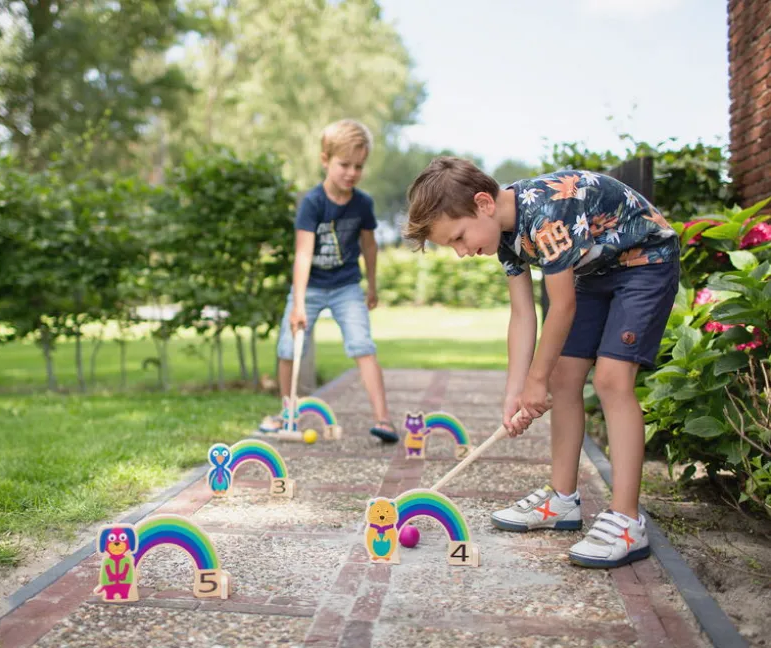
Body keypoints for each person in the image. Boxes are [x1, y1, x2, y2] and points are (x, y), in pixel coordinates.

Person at [402, 156, 680, 568]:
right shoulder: (506, 235)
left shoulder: (546, 213)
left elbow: (562, 306)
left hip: (646, 262)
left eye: (459, 238)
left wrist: (536, 379)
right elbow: (523, 315)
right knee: (564, 379)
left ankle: (626, 520)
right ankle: (562, 500)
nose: (461, 252)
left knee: (611, 380)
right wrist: (517, 390)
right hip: (598, 271)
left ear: (483, 204)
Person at [259, 119, 398, 443]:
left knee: (363, 345)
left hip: (347, 285)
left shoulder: (362, 203)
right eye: (344, 164)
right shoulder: (313, 203)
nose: (351, 172)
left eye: (358, 166)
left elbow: (369, 245)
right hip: (311, 286)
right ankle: (287, 413)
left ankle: (384, 419)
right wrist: (298, 303)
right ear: (325, 160)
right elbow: (304, 254)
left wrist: (373, 286)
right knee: (288, 346)